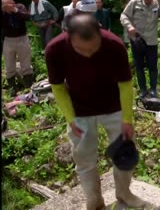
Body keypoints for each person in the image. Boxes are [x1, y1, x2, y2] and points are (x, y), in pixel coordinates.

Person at [45, 14, 147, 210]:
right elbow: (57, 87)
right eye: (80, 49)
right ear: (68, 36)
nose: (88, 54)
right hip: (79, 110)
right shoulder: (54, 50)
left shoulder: (114, 45)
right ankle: (94, 200)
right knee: (84, 157)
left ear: (100, 33)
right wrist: (70, 118)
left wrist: (127, 119)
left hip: (113, 106)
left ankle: (124, 193)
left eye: (93, 47)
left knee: (124, 153)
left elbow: (125, 84)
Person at [120, 0, 160, 98]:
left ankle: (153, 89)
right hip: (137, 39)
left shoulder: (157, 2)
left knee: (153, 66)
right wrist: (129, 26)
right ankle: (143, 89)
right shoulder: (134, 1)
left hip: (151, 40)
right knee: (139, 66)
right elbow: (123, 16)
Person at [2, 0, 35, 97]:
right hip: (9, 40)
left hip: (22, 39)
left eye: (8, 4)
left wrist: (14, 10)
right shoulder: (2, 12)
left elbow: (27, 17)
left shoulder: (20, 7)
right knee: (9, 65)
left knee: (26, 64)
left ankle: (29, 87)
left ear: (13, 2)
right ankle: (13, 89)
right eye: (4, 4)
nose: (7, 6)